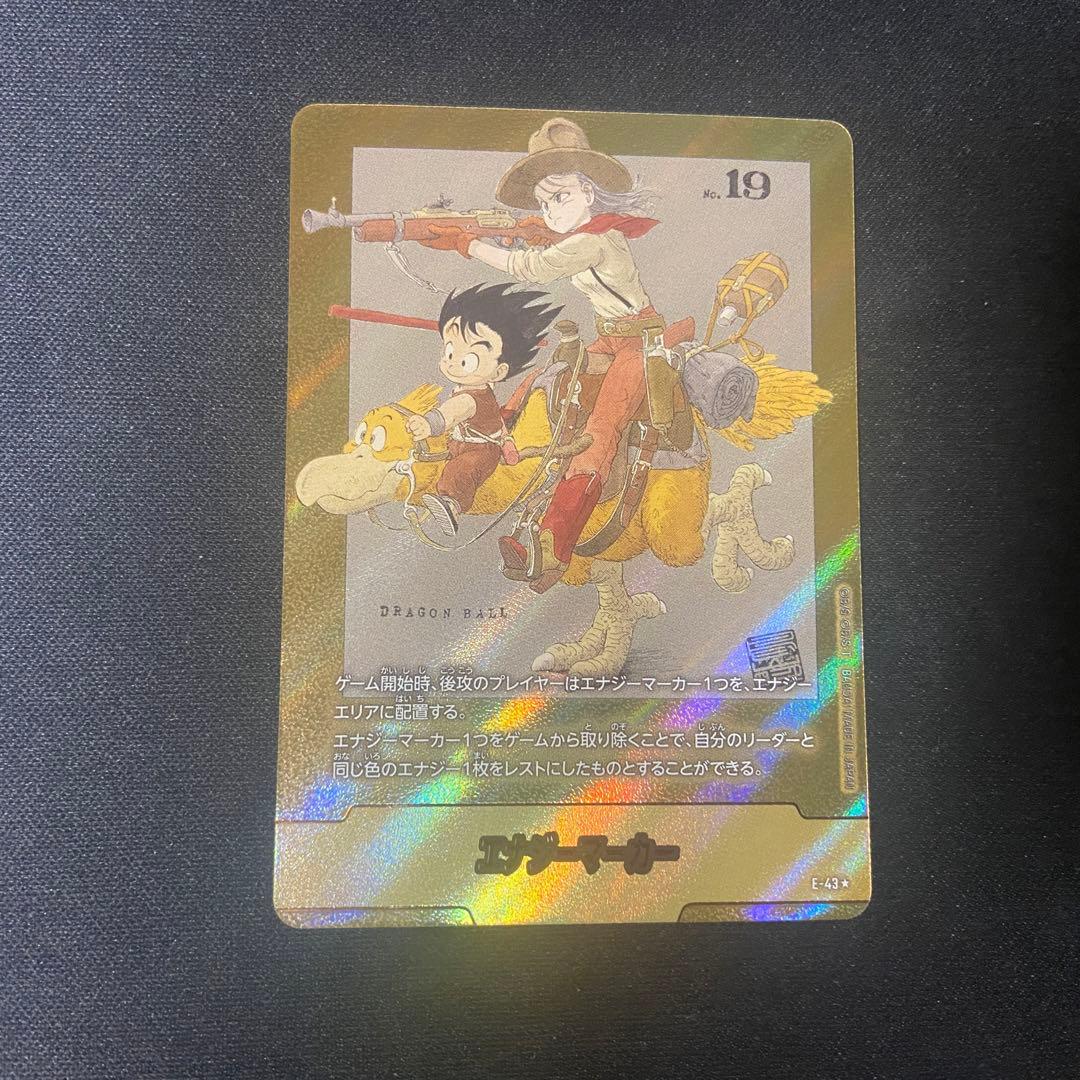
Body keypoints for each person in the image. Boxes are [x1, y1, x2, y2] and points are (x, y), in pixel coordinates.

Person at [420, 117, 676, 591]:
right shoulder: (578, 234)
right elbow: (540, 245)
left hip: (640, 343)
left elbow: (534, 268)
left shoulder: (594, 239)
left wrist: (470, 245)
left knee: (600, 430)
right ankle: (487, 446)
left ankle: (553, 547)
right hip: (609, 337)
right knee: (540, 382)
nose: (551, 211)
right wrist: (509, 234)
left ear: (589, 192)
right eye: (543, 202)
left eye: (560, 197)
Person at [405, 283, 560, 536]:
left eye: (467, 360)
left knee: (460, 471)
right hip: (461, 443)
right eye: (450, 351)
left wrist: (430, 423)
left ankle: (451, 505)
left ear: (499, 371)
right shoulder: (468, 388)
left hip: (480, 451)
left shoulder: (471, 398)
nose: (452, 364)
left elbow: (451, 413)